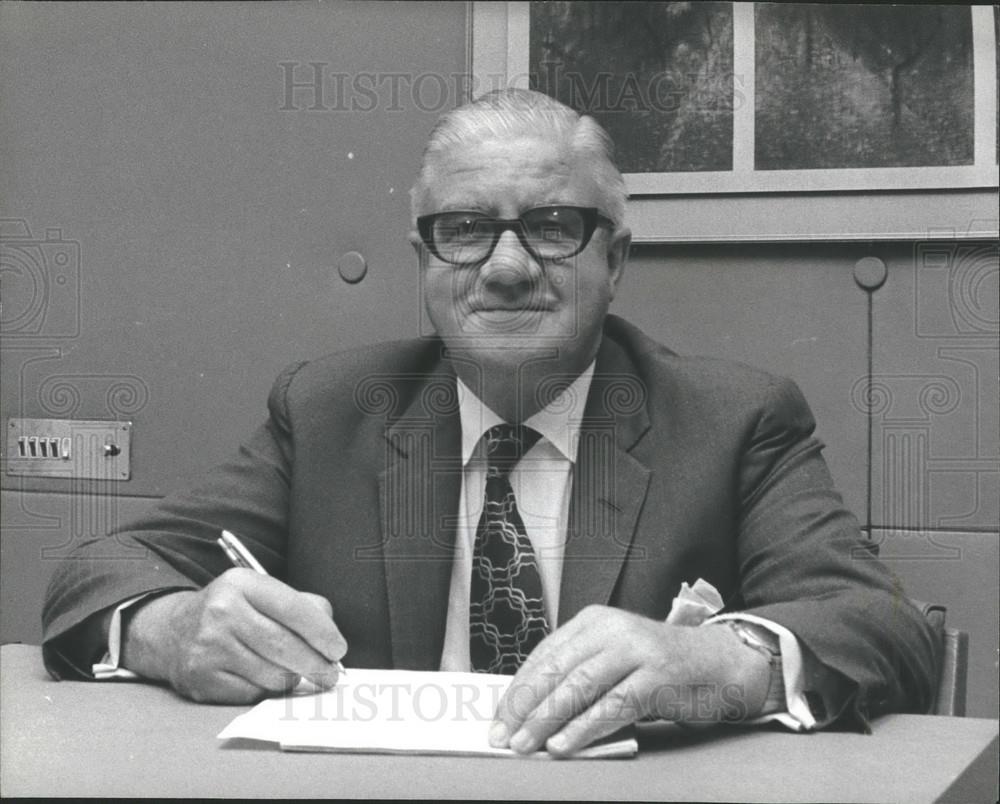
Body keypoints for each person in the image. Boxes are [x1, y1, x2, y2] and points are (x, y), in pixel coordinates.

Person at [42, 88, 939, 757]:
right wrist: (172, 628)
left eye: (552, 225)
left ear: (615, 257)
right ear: (423, 261)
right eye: (466, 228)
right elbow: (96, 575)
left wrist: (722, 668)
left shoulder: (735, 419)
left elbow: (881, 624)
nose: (506, 268)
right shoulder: (328, 410)